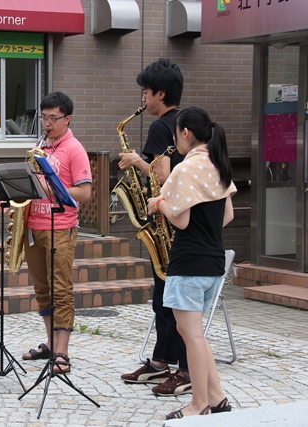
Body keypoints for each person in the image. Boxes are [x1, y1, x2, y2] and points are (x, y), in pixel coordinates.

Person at [0, 92, 92, 374]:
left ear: (67, 119)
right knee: (42, 290)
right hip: (34, 227)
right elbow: (28, 188)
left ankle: (63, 352)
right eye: (43, 117)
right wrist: (9, 200)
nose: (46, 123)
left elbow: (85, 192)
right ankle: (50, 343)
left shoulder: (74, 149)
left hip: (60, 228)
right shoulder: (39, 147)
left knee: (61, 290)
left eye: (53, 118)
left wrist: (52, 188)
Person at [146, 106, 236, 419]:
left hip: (188, 263)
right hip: (213, 262)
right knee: (197, 335)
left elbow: (181, 221)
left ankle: (199, 404)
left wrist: (159, 204)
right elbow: (228, 216)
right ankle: (217, 397)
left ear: (185, 133)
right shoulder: (219, 164)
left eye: (176, 133)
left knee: (192, 336)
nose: (174, 139)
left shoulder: (185, 169)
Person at [118, 58, 191, 396]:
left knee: (165, 298)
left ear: (160, 93)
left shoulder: (161, 126)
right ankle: (162, 361)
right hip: (178, 224)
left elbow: (162, 176)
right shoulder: (185, 124)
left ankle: (178, 367)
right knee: (166, 296)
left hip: (165, 223)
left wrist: (136, 161)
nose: (142, 99)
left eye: (145, 92)